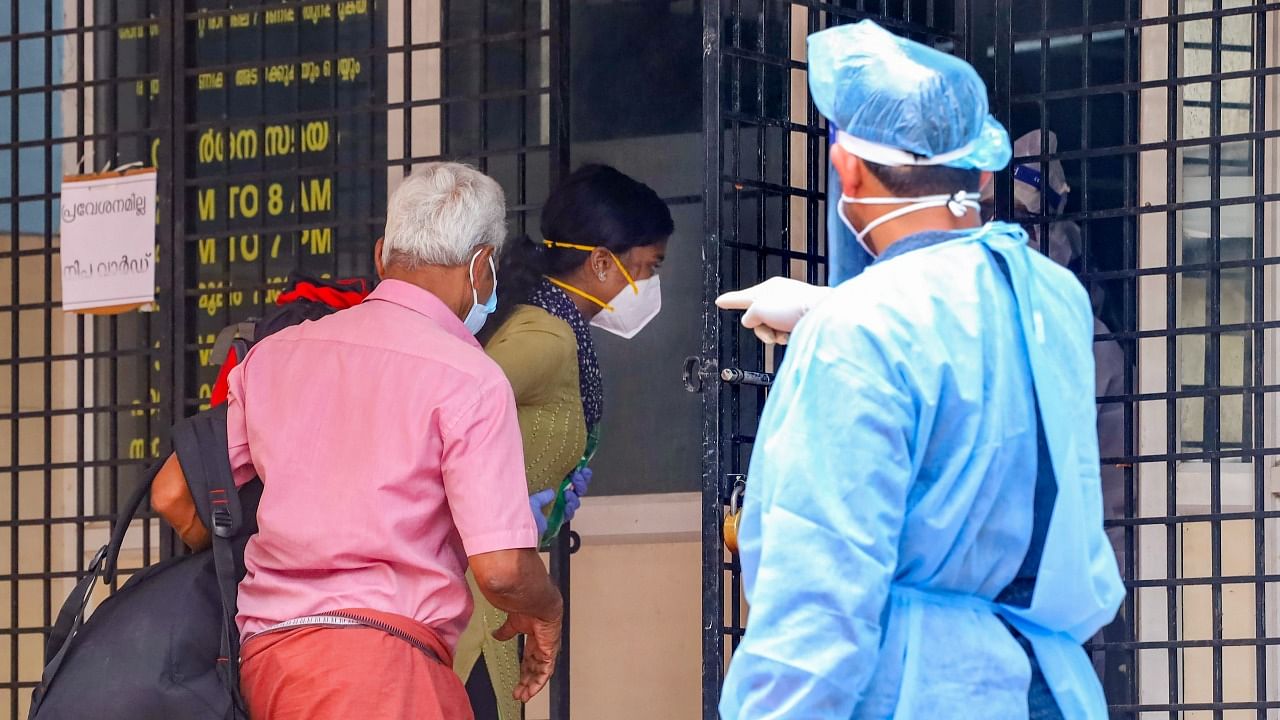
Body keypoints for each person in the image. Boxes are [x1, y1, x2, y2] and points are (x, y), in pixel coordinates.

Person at [714, 20, 1124, 719]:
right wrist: (836, 311)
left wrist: (839, 322)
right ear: (976, 162)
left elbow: (819, 596)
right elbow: (972, 356)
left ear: (845, 165)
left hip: (918, 689)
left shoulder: (860, 332)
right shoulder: (1056, 301)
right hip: (1050, 687)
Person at [152, 163, 563, 719]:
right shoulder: (468, 376)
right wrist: (547, 608)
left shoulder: (277, 357)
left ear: (380, 258)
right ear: (482, 266)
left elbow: (173, 494)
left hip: (267, 666)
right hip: (386, 671)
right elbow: (502, 570)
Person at [456, 163, 673, 720]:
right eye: (647, 269)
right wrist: (504, 513)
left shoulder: (551, 325)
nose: (650, 286)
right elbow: (441, 414)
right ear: (601, 262)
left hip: (490, 600)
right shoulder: (545, 336)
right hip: (468, 611)